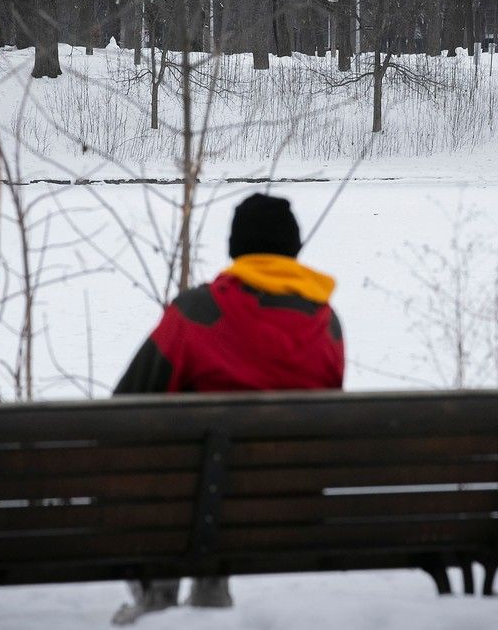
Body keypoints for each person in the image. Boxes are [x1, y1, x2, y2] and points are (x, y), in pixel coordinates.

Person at [111, 193, 344, 625]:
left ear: (235, 249)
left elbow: (123, 406)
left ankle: (158, 596)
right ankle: (210, 587)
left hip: (183, 501)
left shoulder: (197, 312)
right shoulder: (327, 324)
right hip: (289, 505)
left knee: (167, 467)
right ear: (295, 250)